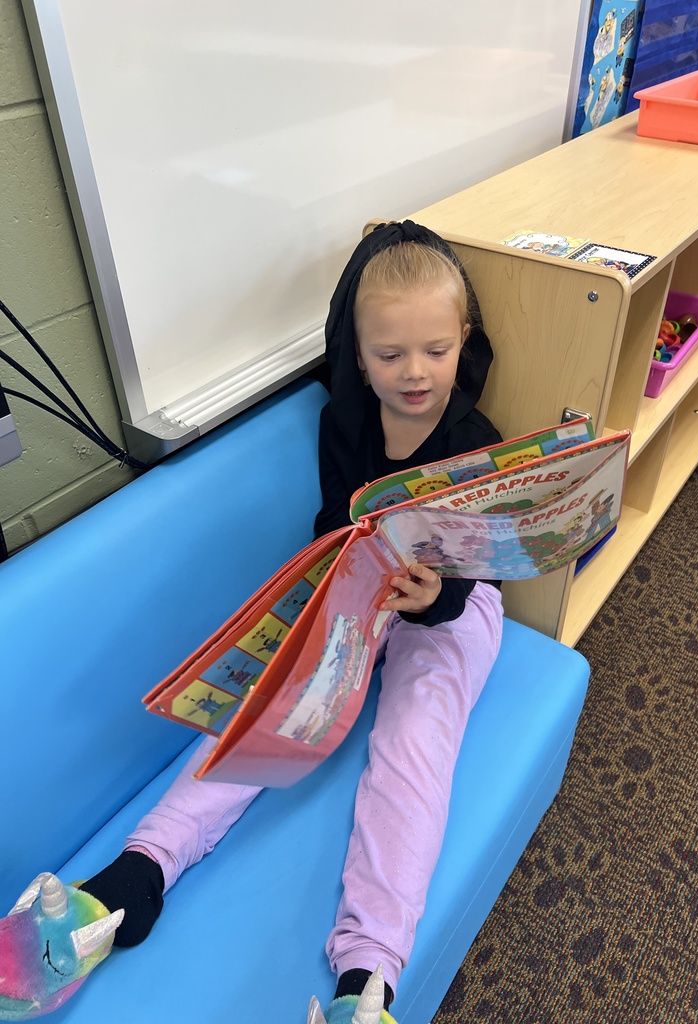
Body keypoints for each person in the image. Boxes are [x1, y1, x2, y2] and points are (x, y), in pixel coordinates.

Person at [4, 221, 504, 1024]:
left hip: (451, 609)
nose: (414, 373)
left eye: (436, 352)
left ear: (464, 343)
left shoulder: (477, 443)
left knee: (412, 747)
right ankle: (135, 877)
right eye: (389, 355)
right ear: (357, 350)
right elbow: (330, 521)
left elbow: (480, 565)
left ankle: (366, 979)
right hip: (364, 593)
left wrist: (431, 595)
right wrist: (337, 583)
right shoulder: (344, 422)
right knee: (268, 706)